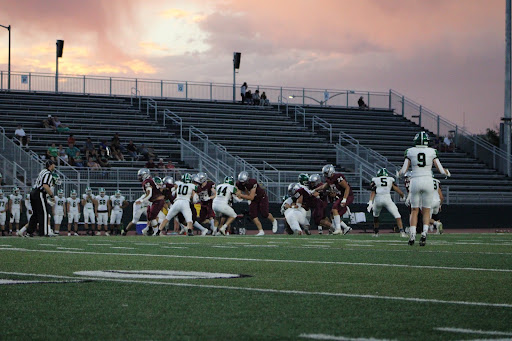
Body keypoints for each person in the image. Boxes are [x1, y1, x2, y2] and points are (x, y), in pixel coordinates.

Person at [397, 131, 451, 246]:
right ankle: (424, 234)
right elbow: (440, 170)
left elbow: (403, 170)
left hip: (415, 181)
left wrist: (398, 174)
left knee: (414, 210)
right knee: (426, 210)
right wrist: (447, 173)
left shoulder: (410, 151)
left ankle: (412, 236)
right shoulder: (432, 151)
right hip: (428, 181)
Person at [236, 171, 278, 236]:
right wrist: (238, 195)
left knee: (265, 214)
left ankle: (274, 221)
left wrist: (241, 195)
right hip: (253, 199)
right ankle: (261, 231)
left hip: (261, 197)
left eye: (244, 182)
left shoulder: (253, 182)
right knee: (253, 215)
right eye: (241, 182)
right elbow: (239, 193)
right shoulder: (239, 184)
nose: (243, 183)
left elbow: (251, 197)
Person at [367, 168, 406, 237]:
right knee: (397, 215)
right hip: (387, 198)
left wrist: (370, 202)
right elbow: (396, 189)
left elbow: (373, 191)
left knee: (376, 216)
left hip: (378, 199)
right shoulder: (390, 179)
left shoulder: (375, 179)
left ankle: (376, 232)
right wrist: (402, 196)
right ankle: (402, 232)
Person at [315, 164, 353, 235]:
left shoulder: (338, 177)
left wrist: (344, 199)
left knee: (334, 209)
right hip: (341, 196)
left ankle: (338, 229)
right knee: (333, 213)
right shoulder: (330, 179)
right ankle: (345, 228)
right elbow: (324, 186)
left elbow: (347, 188)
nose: (325, 175)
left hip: (347, 195)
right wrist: (315, 190)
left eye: (326, 173)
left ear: (331, 172)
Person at [27, 160, 56, 237]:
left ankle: (29, 232)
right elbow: (45, 185)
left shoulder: (43, 171)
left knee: (36, 214)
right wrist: (52, 196)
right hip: (39, 193)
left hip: (33, 192)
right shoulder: (48, 173)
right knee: (44, 213)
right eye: (54, 164)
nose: (55, 166)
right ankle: (44, 232)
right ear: (51, 165)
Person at [136, 168, 165, 236]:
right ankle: (150, 230)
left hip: (157, 200)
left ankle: (157, 232)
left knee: (152, 217)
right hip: (153, 201)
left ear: (144, 175)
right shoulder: (148, 181)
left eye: (140, 175)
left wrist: (142, 201)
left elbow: (149, 194)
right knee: (150, 217)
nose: (139, 177)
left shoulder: (147, 182)